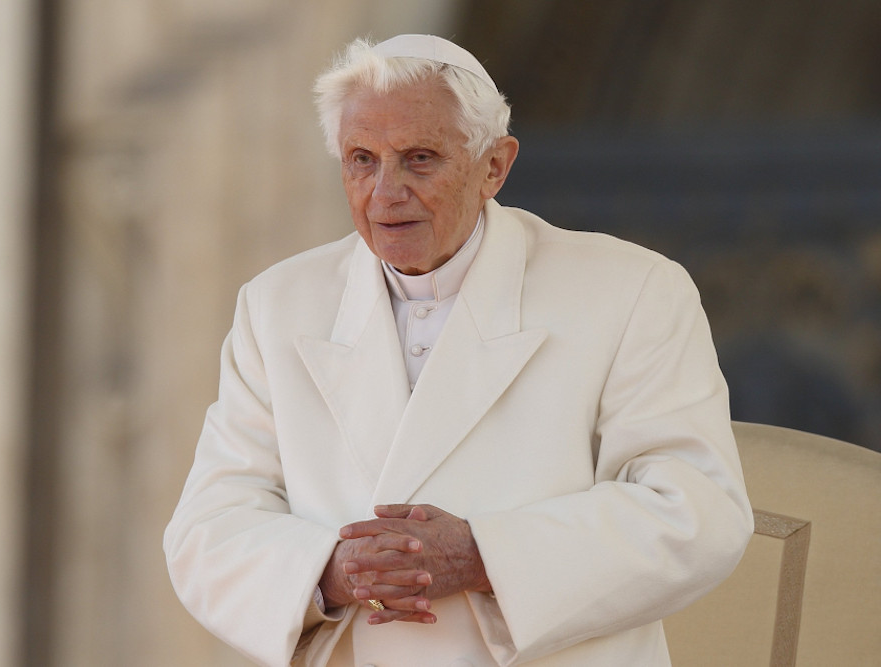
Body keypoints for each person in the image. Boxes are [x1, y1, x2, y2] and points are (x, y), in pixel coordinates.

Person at [164, 34, 753, 667]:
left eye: (419, 158)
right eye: (362, 159)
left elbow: (698, 512)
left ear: (494, 166)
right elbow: (208, 530)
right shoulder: (276, 304)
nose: (385, 192)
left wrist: (482, 556)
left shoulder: (632, 291)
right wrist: (335, 570)